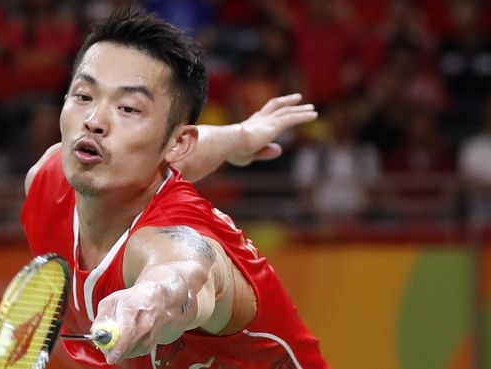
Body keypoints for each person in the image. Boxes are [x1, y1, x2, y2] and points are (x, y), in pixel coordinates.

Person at [21, 9, 329, 369]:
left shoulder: (174, 237)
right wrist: (239, 137)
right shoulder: (48, 177)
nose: (93, 121)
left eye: (128, 108)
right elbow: (180, 151)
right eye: (84, 96)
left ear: (177, 141)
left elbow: (185, 271)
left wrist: (149, 299)